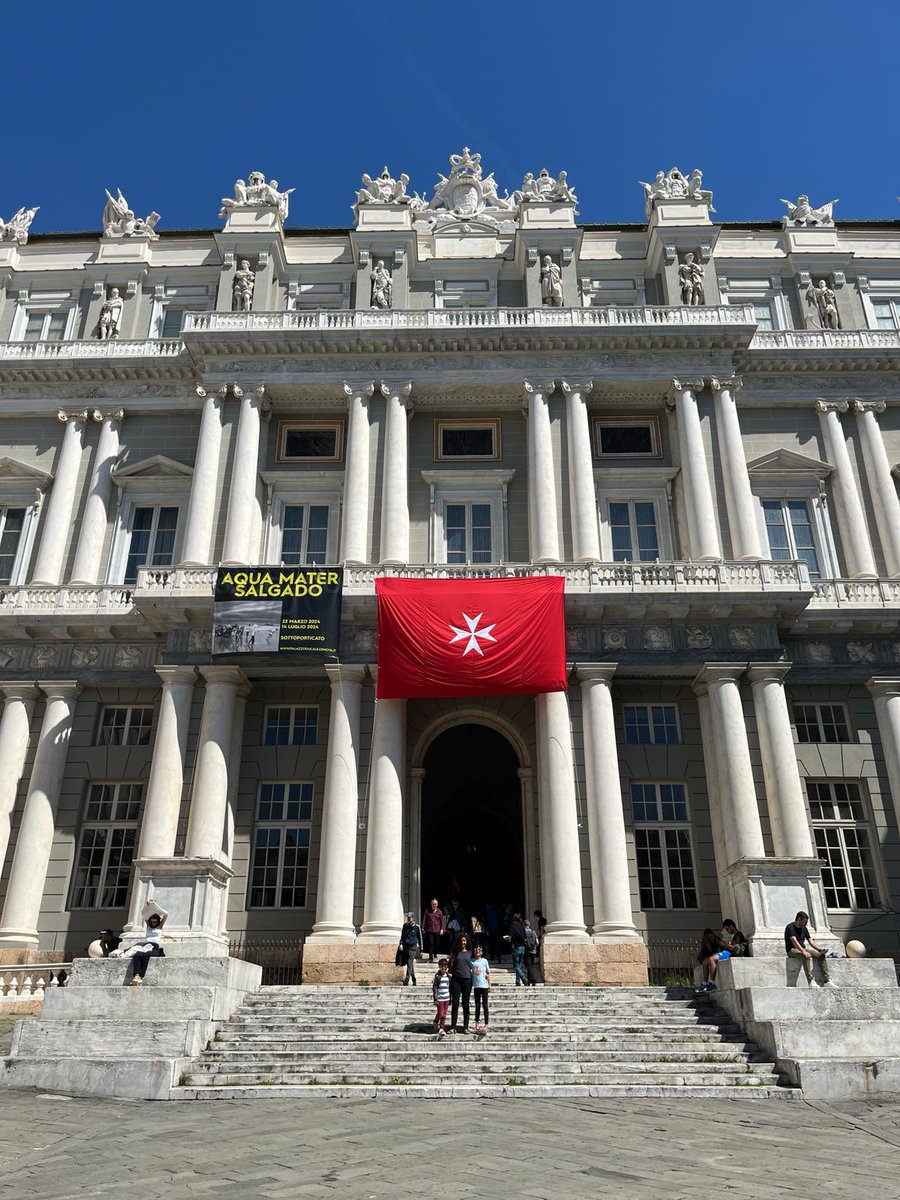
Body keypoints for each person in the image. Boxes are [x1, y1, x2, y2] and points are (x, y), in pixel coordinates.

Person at [109, 910, 166, 985]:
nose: (153, 923)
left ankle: (141, 975)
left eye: (155, 922)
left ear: (158, 921)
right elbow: (144, 914)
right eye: (151, 922)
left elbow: (166, 914)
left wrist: (154, 906)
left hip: (154, 946)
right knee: (138, 954)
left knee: (146, 955)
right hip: (146, 945)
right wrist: (148, 905)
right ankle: (136, 975)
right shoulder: (149, 926)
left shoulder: (159, 927)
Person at [785, 911, 835, 988]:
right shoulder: (790, 927)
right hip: (792, 950)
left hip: (803, 949)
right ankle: (810, 981)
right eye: (804, 922)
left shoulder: (804, 928)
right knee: (806, 956)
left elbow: (811, 941)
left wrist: (819, 950)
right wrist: (803, 952)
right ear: (799, 919)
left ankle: (826, 980)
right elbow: (794, 941)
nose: (806, 924)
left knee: (820, 955)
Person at [448, 933, 473, 1033]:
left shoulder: (471, 953)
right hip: (456, 980)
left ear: (467, 942)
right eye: (461, 941)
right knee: (455, 1003)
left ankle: (465, 1027)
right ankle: (453, 1026)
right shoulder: (455, 953)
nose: (463, 942)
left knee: (465, 1004)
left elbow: (474, 966)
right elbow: (450, 965)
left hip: (467, 979)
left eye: (464, 941)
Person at [696, 927, 730, 992]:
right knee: (705, 962)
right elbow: (705, 955)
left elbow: (721, 949)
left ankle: (712, 983)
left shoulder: (717, 939)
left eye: (712, 936)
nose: (711, 938)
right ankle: (705, 983)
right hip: (716, 956)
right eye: (709, 937)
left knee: (711, 959)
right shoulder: (705, 944)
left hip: (725, 953)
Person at [471, 943, 491, 1035]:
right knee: (477, 1005)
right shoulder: (472, 962)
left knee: (485, 1005)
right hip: (476, 986)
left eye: (479, 950)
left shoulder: (484, 961)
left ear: (481, 952)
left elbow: (487, 974)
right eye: (475, 950)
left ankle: (486, 1024)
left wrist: (489, 985)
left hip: (484, 985)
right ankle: (477, 1023)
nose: (477, 951)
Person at [398, 912, 423, 986]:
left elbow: (420, 938)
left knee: (409, 962)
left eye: (410, 917)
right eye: (408, 918)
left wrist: (421, 949)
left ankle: (407, 979)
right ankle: (414, 979)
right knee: (410, 964)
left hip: (413, 948)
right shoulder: (405, 926)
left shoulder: (417, 927)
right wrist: (401, 944)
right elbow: (402, 936)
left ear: (413, 918)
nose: (408, 919)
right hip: (405, 947)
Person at [432, 957, 451, 1039]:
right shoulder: (437, 977)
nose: (444, 968)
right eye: (442, 966)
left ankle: (442, 1028)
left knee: (444, 1014)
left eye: (445, 966)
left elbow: (450, 987)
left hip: (446, 998)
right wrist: (435, 999)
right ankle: (436, 1021)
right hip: (440, 998)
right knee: (440, 1013)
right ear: (439, 967)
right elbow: (435, 988)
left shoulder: (449, 976)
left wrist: (451, 998)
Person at [509, 911, 528, 987]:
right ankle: (517, 981)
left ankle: (523, 978)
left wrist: (508, 939)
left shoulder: (512, 926)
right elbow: (525, 937)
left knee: (516, 965)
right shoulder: (522, 926)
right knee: (519, 965)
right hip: (522, 947)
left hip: (516, 947)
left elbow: (511, 937)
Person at [422, 898, 443, 963]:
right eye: (433, 904)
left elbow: (442, 921)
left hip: (437, 930)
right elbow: (424, 919)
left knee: (437, 943)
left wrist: (442, 929)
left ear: (437, 904)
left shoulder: (440, 912)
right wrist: (423, 927)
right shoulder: (427, 911)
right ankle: (430, 956)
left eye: (435, 904)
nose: (434, 905)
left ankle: (435, 953)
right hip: (430, 930)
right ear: (431, 904)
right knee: (431, 943)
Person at [523, 919, 540, 986]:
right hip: (533, 951)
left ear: (523, 925)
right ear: (529, 925)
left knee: (528, 966)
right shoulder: (533, 932)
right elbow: (537, 942)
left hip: (526, 951)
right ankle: (529, 981)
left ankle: (533, 980)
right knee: (530, 966)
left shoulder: (523, 932)